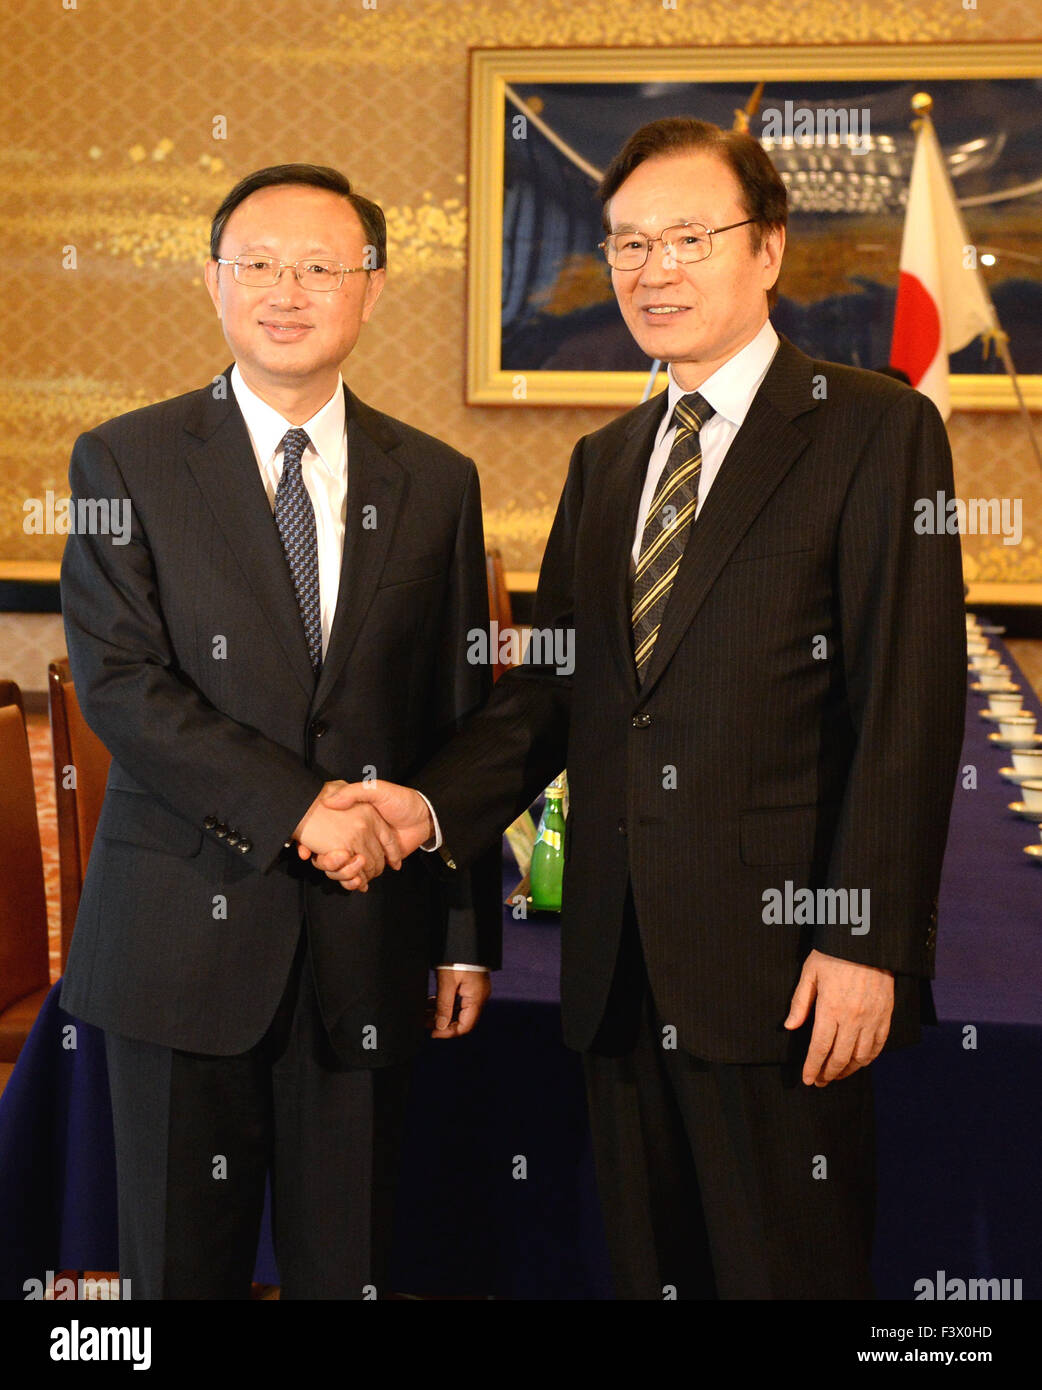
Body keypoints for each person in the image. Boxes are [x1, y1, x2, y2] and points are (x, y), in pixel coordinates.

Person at [306, 119, 966, 1299]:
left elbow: (906, 708)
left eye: (685, 237)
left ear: (766, 249)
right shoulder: (607, 460)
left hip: (784, 968)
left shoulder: (874, 429)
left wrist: (865, 938)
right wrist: (418, 804)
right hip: (618, 970)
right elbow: (556, 691)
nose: (650, 269)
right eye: (624, 245)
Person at [59, 163, 500, 1300]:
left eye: (320, 265)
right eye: (258, 263)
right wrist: (300, 807)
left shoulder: (438, 482)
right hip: (175, 942)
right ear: (214, 282)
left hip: (367, 943)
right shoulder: (125, 460)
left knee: (346, 1265)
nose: (286, 289)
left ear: (372, 288)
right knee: (175, 1279)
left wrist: (462, 931)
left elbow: (456, 716)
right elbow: (123, 685)